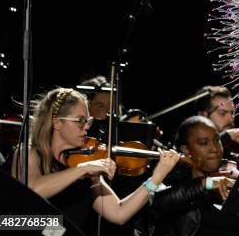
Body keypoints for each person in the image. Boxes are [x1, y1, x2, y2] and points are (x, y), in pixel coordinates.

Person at [11, 87, 179, 231]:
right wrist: (83, 169)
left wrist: (156, 178)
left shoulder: (84, 163)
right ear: (57, 123)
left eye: (88, 121)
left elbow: (119, 213)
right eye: (80, 121)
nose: (86, 127)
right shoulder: (29, 152)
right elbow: (33, 189)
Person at [150, 116, 239, 236]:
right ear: (186, 150)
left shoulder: (231, 174)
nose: (215, 149)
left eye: (217, 140)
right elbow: (156, 203)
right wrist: (207, 183)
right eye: (204, 143)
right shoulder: (171, 182)